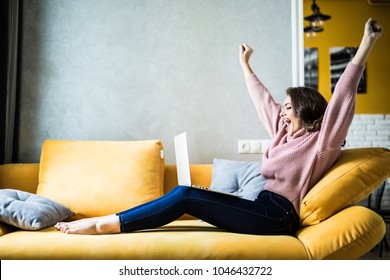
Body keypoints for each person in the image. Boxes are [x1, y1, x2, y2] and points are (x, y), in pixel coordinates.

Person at [55, 18, 383, 236]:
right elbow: (263, 101)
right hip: (260, 206)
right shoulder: (282, 134)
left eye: (287, 108)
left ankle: (105, 225)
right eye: (281, 109)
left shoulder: (320, 141)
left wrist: (366, 44)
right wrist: (245, 66)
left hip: (278, 216)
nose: (281, 114)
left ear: (305, 112)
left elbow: (342, 97)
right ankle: (110, 220)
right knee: (187, 193)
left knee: (184, 194)